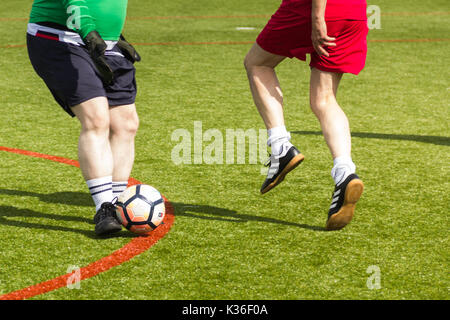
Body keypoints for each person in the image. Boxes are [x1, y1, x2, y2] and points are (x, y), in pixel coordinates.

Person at [244, 0, 367, 230]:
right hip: (354, 11)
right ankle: (345, 173)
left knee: (257, 63)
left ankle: (281, 147)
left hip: (314, 9)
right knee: (324, 99)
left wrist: (318, 17)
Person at [27, 0, 141, 235]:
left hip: (105, 42)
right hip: (59, 39)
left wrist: (114, 34)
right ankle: (104, 207)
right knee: (96, 117)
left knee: (126, 123)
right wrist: (89, 30)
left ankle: (119, 204)